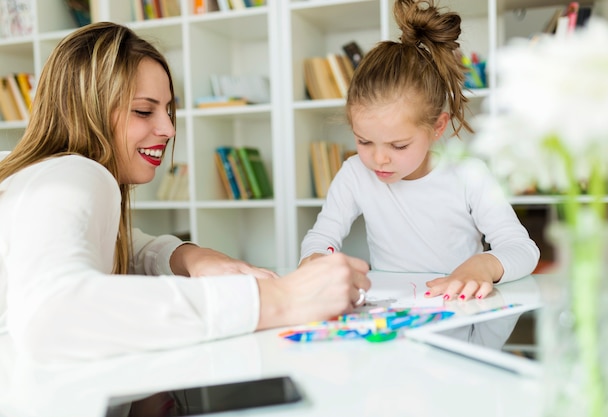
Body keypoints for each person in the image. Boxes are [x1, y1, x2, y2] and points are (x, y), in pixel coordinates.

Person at [0, 22, 370, 363]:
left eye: (168, 110)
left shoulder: (39, 175)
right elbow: (53, 313)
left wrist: (188, 256)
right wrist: (279, 299)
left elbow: (111, 243)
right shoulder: (75, 173)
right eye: (144, 111)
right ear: (84, 111)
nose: (168, 129)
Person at [299, 0, 539, 301]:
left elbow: (522, 250)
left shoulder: (468, 174)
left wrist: (484, 265)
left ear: (437, 127)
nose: (379, 158)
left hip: (460, 313)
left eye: (398, 145)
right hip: (394, 314)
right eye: (364, 141)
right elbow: (321, 238)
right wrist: (317, 257)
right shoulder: (355, 174)